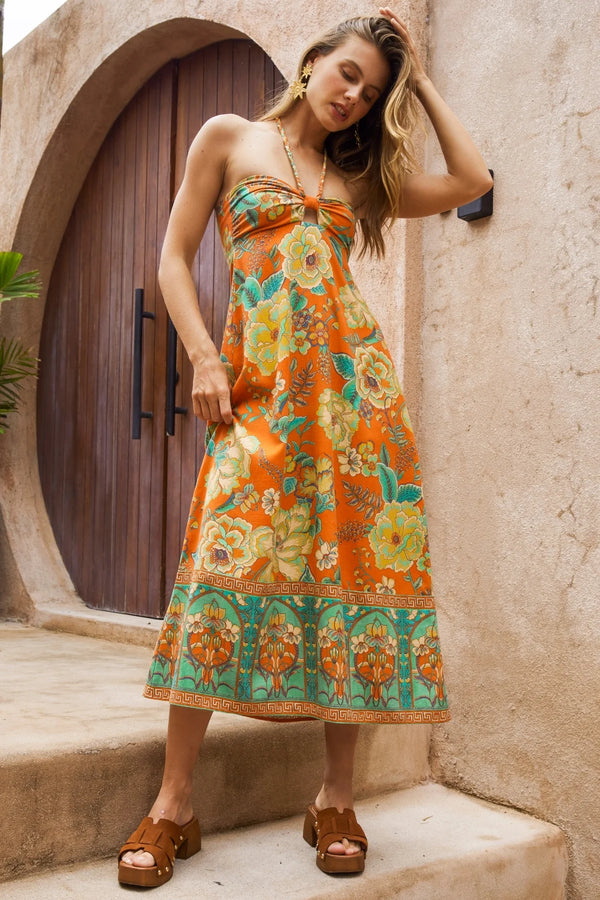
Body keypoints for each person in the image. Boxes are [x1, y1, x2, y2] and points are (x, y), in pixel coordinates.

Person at [118, 7, 492, 888]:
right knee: (216, 570)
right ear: (314, 59)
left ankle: (334, 799)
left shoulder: (358, 182)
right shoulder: (229, 138)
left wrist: (421, 79)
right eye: (349, 74)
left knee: (349, 584)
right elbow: (173, 258)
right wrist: (203, 355)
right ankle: (173, 804)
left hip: (354, 409)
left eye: (371, 91)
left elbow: (473, 177)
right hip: (254, 397)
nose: (354, 97)